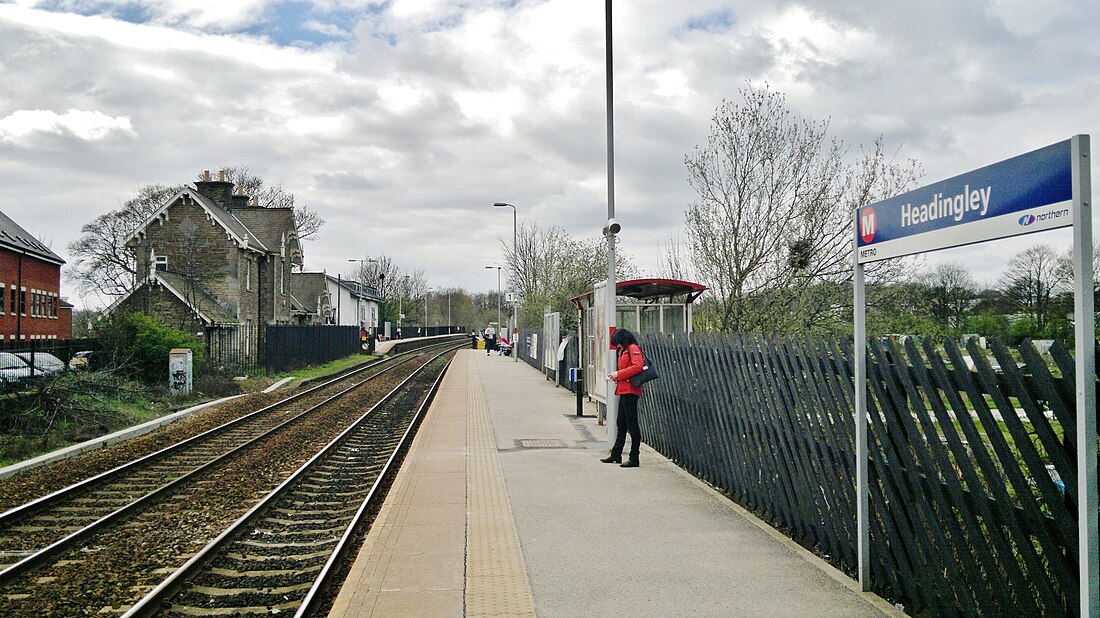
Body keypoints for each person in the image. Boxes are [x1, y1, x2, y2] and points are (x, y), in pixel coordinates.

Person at [602, 328, 645, 468]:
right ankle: (616, 453)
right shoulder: (623, 350)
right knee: (621, 423)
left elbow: (638, 366)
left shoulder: (633, 348)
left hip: (631, 391)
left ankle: (634, 457)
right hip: (623, 390)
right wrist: (617, 377)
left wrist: (618, 374)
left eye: (618, 343)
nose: (617, 346)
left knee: (632, 425)